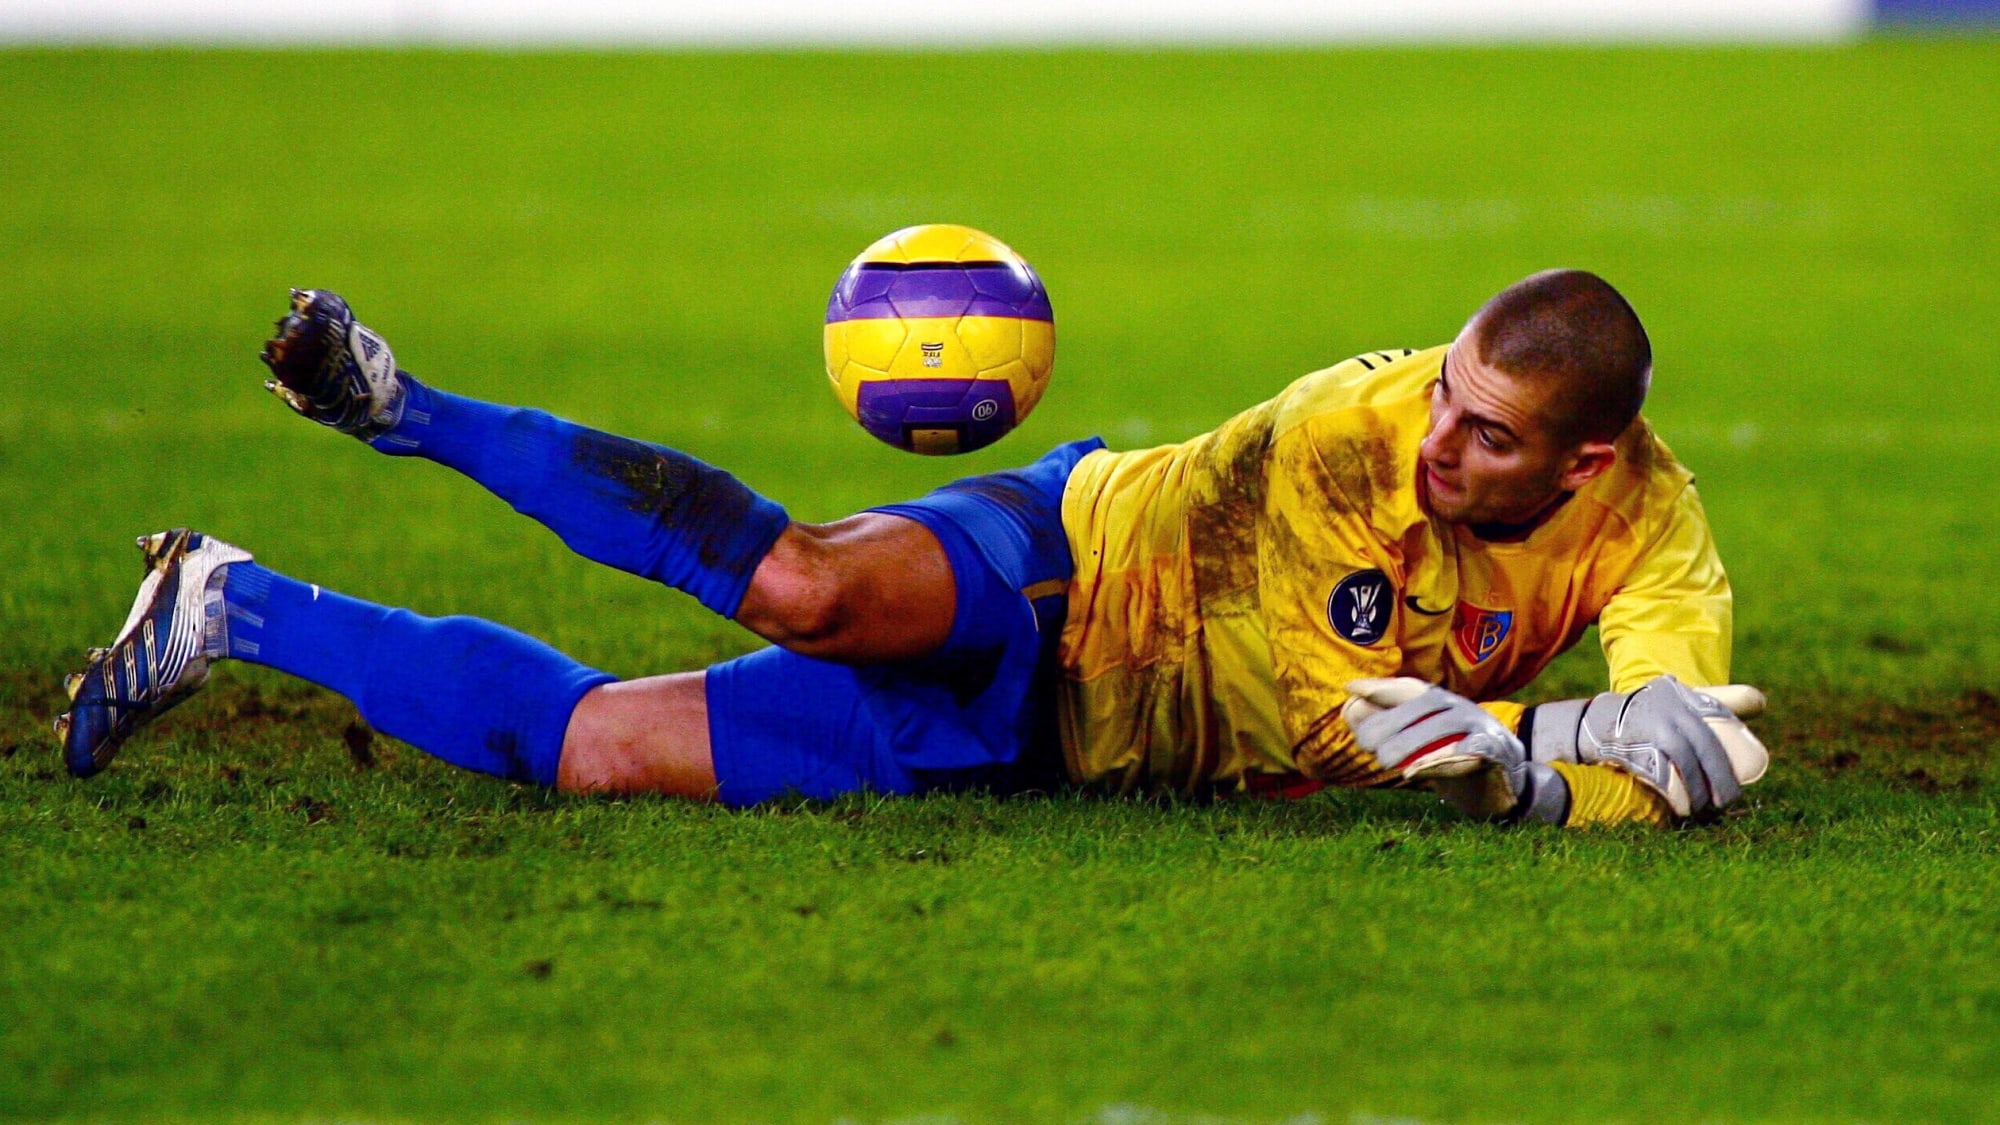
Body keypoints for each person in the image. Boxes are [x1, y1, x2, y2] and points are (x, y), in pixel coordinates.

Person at [53, 270, 1768, 828]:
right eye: (1447, 393)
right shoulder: (1347, 433)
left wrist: (1552, 782)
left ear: (1590, 460)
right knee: (807, 583)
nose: (1441, 437)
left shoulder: (1658, 546)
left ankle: (226, 598)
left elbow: (1683, 759)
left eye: (1488, 431)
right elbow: (1332, 714)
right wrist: (1521, 743)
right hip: (1074, 565)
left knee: (592, 748)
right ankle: (401, 405)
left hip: (1067, 739)